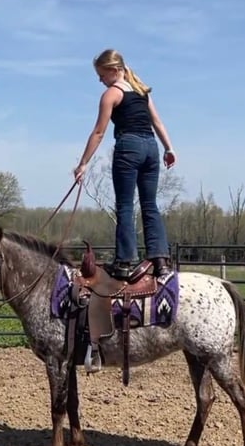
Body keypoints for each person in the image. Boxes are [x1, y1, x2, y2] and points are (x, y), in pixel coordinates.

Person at [73, 48, 176, 280]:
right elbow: (157, 122)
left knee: (125, 206)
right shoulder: (142, 91)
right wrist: (169, 148)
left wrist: (83, 164)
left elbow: (99, 132)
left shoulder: (112, 94)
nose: (100, 80)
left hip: (128, 146)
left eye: (102, 75)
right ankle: (161, 262)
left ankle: (124, 262)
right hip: (151, 147)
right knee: (150, 205)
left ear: (114, 70)